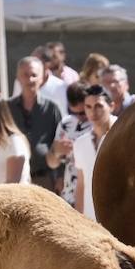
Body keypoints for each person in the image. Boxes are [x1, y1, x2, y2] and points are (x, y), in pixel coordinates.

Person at [8, 58, 63, 192]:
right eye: (25, 75)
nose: (30, 79)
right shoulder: (7, 108)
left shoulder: (52, 108)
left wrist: (61, 176)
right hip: (15, 179)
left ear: (42, 78)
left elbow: (60, 141)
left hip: (45, 178)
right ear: (18, 78)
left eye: (34, 75)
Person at [44, 82, 93, 210]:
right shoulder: (66, 123)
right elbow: (52, 163)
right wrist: (56, 152)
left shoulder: (98, 124)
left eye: (82, 112)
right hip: (70, 196)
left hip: (93, 194)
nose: (79, 118)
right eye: (73, 112)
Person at [71, 85, 116, 219]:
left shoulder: (124, 136)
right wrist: (79, 219)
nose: (93, 112)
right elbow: (81, 183)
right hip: (90, 218)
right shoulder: (80, 143)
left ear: (111, 106)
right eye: (88, 107)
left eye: (98, 106)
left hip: (119, 215)